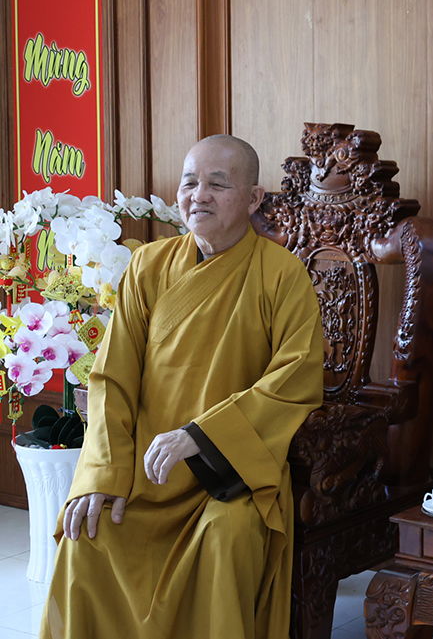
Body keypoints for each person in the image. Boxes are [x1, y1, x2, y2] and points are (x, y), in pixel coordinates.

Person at [41, 135, 324, 639]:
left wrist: (202, 436)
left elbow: (295, 378)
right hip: (146, 472)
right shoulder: (148, 266)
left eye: (218, 184)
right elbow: (111, 378)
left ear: (254, 198)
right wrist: (104, 472)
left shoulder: (283, 275)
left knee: (227, 538)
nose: (199, 195)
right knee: (88, 535)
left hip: (229, 474)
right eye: (190, 182)